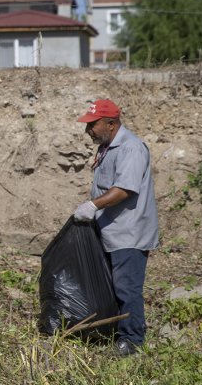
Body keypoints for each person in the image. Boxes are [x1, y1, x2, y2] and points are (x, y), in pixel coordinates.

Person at [72, 99, 158, 356]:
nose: (88, 130)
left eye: (92, 125)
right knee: (113, 285)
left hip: (129, 232)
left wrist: (92, 206)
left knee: (126, 287)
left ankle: (132, 342)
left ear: (111, 123)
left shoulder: (131, 148)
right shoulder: (109, 147)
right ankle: (115, 333)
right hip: (112, 230)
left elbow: (124, 190)